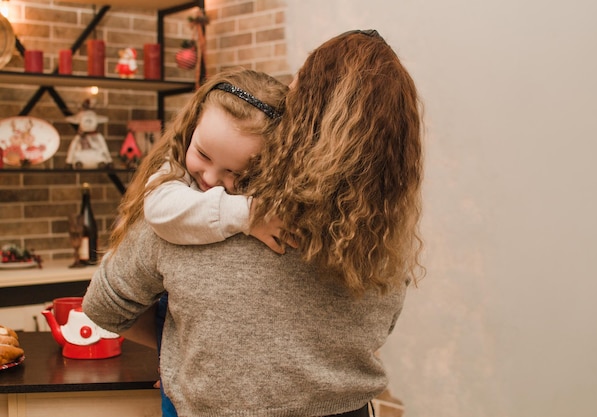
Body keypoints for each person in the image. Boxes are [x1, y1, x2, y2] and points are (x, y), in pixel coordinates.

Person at [83, 29, 424, 417]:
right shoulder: (378, 234)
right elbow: (375, 334)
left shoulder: (191, 215)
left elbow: (105, 306)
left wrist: (188, 353)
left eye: (296, 86)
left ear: (307, 117)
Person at [108, 67, 290, 417]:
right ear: (190, 129)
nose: (211, 180)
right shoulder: (173, 172)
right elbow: (162, 211)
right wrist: (249, 215)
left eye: (235, 173)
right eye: (204, 155)